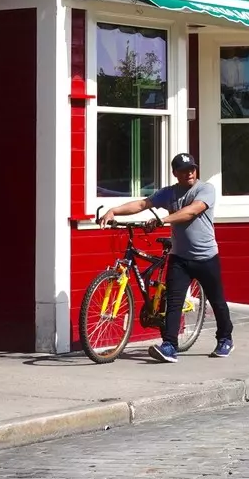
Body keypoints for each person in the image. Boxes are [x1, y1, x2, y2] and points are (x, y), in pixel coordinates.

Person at [95, 153, 233, 362]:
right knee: (172, 301)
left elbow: (191, 211)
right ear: (175, 173)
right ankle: (169, 345)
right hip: (180, 257)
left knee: (217, 301)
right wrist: (113, 211)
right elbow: (143, 204)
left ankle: (225, 338)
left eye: (192, 169)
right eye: (184, 170)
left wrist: (162, 220)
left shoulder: (206, 189)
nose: (189, 173)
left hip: (206, 256)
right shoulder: (169, 193)